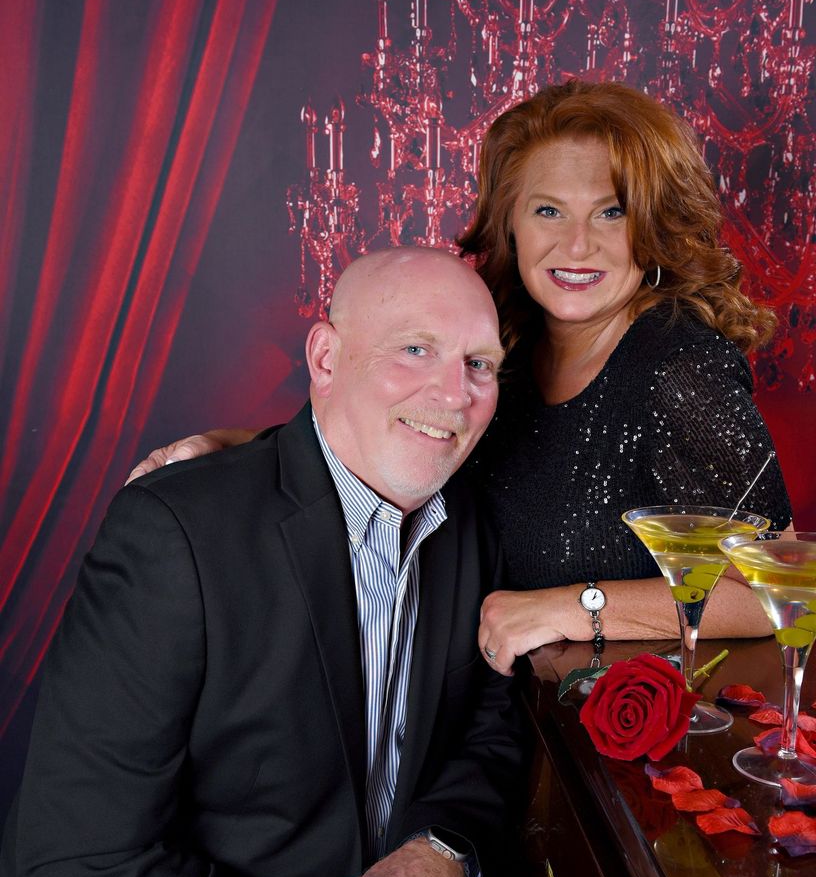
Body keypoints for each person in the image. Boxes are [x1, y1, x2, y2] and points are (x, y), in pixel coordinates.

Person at [0, 248, 546, 877]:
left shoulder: (468, 524)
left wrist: (436, 855)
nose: (454, 393)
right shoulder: (175, 534)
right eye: (414, 349)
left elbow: (489, 723)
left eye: (478, 364)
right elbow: (81, 866)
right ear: (326, 356)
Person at [127, 81, 792, 674]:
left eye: (611, 211)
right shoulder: (503, 343)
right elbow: (395, 445)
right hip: (482, 722)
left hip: (600, 751)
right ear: (510, 222)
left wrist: (575, 607)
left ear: (654, 224)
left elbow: (767, 589)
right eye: (548, 211)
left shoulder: (675, 366)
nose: (578, 244)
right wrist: (239, 449)